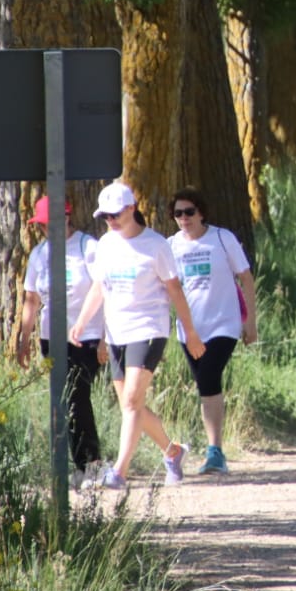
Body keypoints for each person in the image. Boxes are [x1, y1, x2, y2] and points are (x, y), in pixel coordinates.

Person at [71, 181, 205, 490]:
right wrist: (83, 323)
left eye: (116, 214)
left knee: (132, 399)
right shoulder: (105, 245)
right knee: (130, 405)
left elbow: (175, 290)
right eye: (105, 217)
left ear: (132, 208)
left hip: (148, 328)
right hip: (117, 331)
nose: (111, 221)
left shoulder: (156, 245)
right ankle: (172, 451)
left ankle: (118, 472)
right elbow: (100, 287)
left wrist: (192, 332)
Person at [167, 188, 258, 475]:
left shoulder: (222, 238)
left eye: (189, 212)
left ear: (202, 212)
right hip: (190, 329)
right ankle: (214, 450)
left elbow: (245, 277)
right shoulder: (170, 246)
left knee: (209, 376)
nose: (184, 218)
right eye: (178, 213)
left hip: (224, 324)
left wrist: (251, 321)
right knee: (206, 386)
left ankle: (215, 450)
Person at [18, 196, 107, 482]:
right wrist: (23, 340)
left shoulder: (87, 247)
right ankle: (80, 465)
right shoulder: (39, 253)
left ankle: (91, 463)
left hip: (87, 336)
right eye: (41, 225)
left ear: (66, 218)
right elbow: (31, 300)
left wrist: (106, 337)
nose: (45, 229)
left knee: (77, 396)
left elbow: (105, 290)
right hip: (50, 337)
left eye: (50, 223)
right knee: (64, 400)